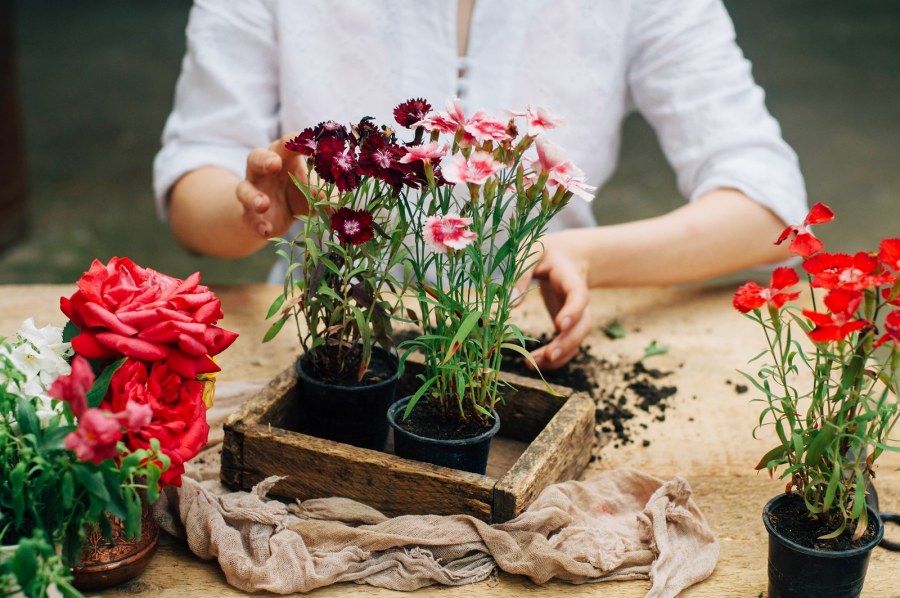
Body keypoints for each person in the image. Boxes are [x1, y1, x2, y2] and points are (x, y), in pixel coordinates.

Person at [153, 0, 806, 370]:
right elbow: (194, 186)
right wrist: (266, 208)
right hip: (326, 343)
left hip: (532, 347)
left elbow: (769, 204)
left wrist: (580, 255)